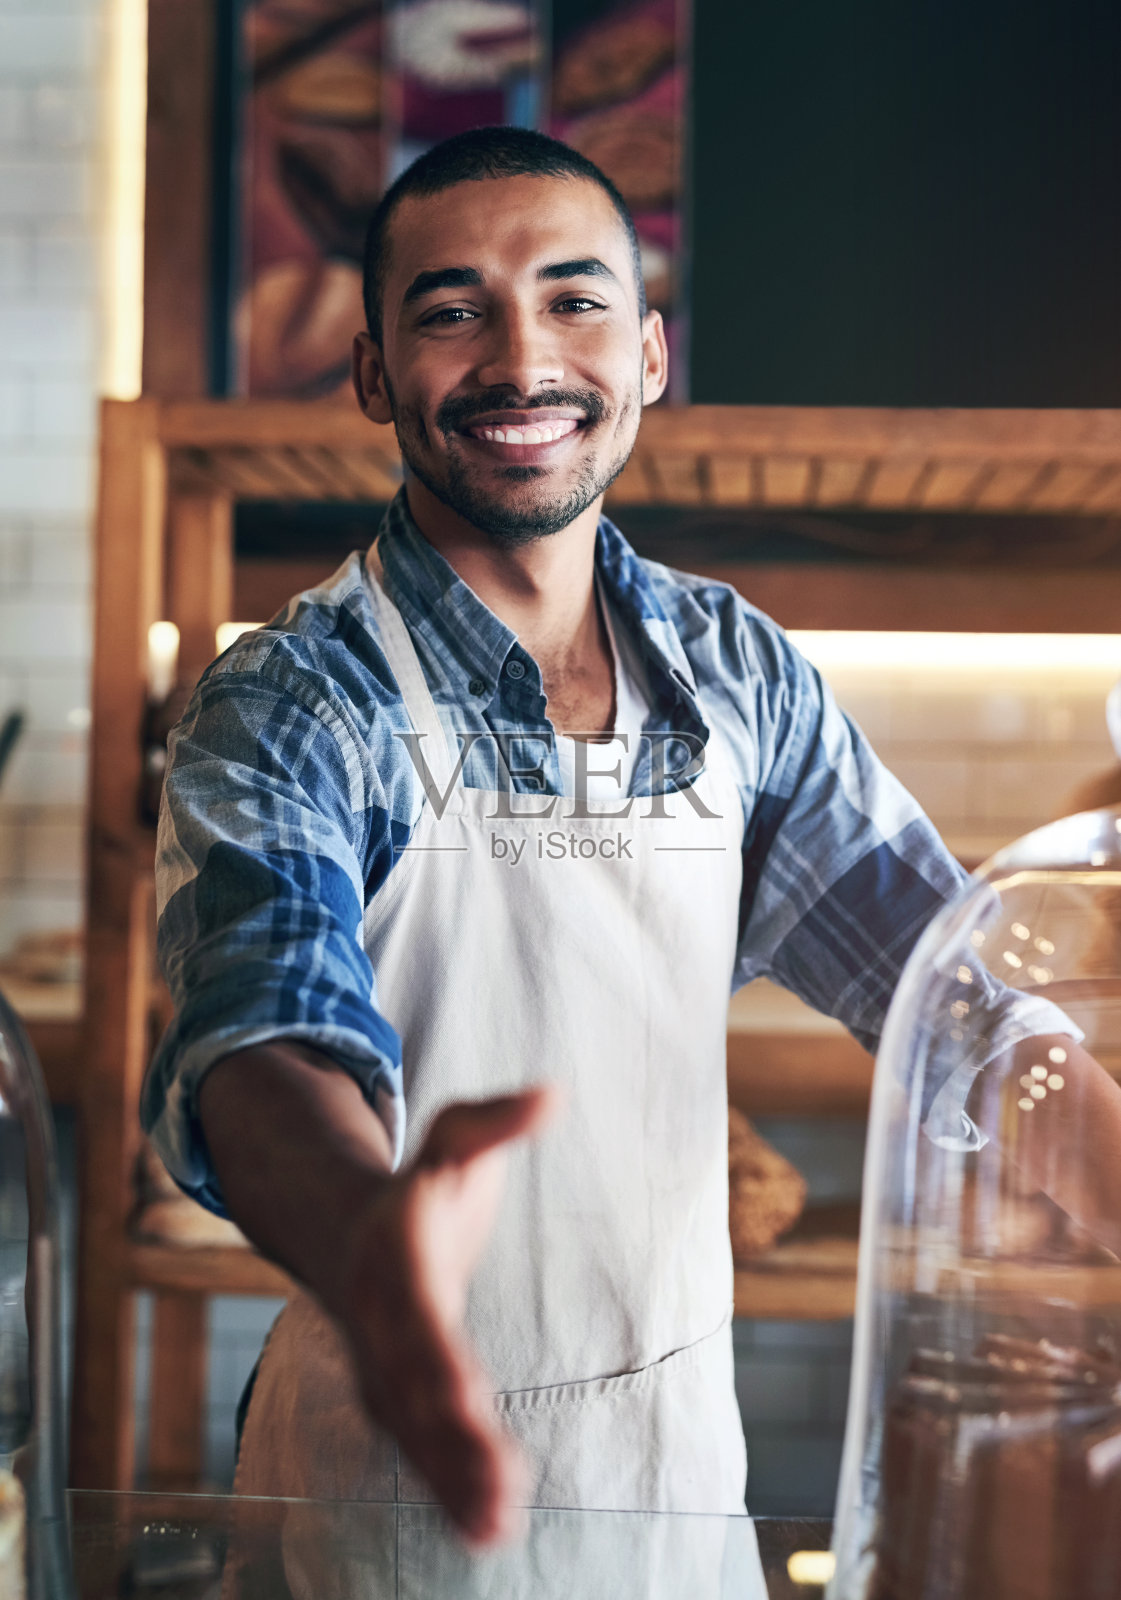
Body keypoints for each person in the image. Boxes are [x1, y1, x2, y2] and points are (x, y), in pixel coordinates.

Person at [139, 127, 1092, 1548]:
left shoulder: (737, 673)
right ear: (370, 372)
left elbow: (952, 1001)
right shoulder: (297, 697)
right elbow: (257, 1037)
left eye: (573, 300)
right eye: (451, 310)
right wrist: (369, 1244)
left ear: (647, 355)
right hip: (391, 1492)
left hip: (675, 1489)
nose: (521, 361)